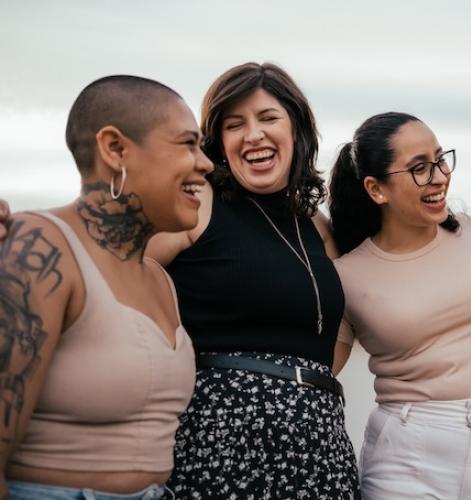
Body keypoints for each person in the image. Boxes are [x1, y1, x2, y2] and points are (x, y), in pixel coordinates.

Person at [146, 62, 359, 499]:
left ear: (296, 129)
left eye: (268, 118)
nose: (253, 135)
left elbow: (338, 324)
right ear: (219, 142)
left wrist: (295, 385)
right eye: (234, 124)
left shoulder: (316, 226)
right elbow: (120, 268)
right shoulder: (198, 200)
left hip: (320, 446)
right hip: (218, 445)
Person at [0, 75, 211, 499]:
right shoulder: (40, 248)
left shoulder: (159, 279)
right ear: (115, 149)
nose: (205, 163)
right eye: (188, 144)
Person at [329, 112, 471, 499]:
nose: (440, 176)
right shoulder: (347, 273)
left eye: (440, 160)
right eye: (419, 168)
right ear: (376, 189)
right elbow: (323, 366)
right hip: (408, 457)